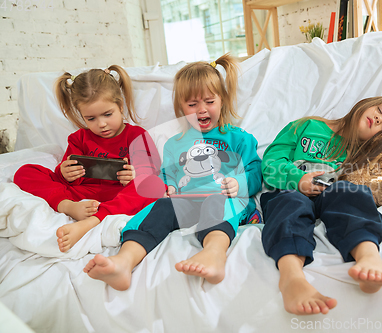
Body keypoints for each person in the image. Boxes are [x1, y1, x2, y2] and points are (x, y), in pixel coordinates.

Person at [83, 54, 262, 290]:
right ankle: (124, 262)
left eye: (209, 101)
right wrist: (166, 187)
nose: (201, 110)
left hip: (223, 198)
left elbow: (256, 171)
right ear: (181, 106)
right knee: (158, 209)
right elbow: (167, 175)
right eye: (192, 104)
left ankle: (214, 254)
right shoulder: (175, 144)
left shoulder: (239, 138)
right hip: (187, 202)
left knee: (218, 202)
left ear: (222, 100)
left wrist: (240, 182)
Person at [260, 96, 382, 315]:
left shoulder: (362, 155)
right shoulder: (306, 126)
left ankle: (368, 255)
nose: (379, 118)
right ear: (367, 102)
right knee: (290, 203)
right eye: (380, 109)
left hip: (329, 192)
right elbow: (271, 162)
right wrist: (297, 179)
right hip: (289, 188)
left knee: (354, 192)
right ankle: (291, 277)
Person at [14, 65, 163, 252]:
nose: (101, 124)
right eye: (91, 118)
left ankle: (91, 221)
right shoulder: (79, 138)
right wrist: (64, 173)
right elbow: (62, 177)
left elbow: (151, 171)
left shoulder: (136, 136)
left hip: (119, 196)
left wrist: (135, 175)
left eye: (108, 114)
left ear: (121, 106)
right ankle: (66, 206)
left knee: (153, 184)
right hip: (82, 196)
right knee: (25, 172)